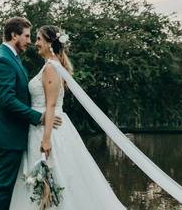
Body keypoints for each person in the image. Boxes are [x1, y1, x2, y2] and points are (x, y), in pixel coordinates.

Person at [8, 24, 125, 209]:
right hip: (42, 126)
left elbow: (51, 105)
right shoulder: (51, 65)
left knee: (55, 176)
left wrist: (46, 140)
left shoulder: (50, 68)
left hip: (48, 130)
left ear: (49, 43)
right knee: (50, 178)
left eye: (39, 39)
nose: (35, 43)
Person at [0, 17, 62, 210]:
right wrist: (38, 117)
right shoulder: (4, 59)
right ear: (14, 35)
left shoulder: (10, 57)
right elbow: (7, 100)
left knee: (6, 186)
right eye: (26, 36)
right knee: (2, 187)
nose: (29, 41)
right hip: (6, 134)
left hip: (10, 133)